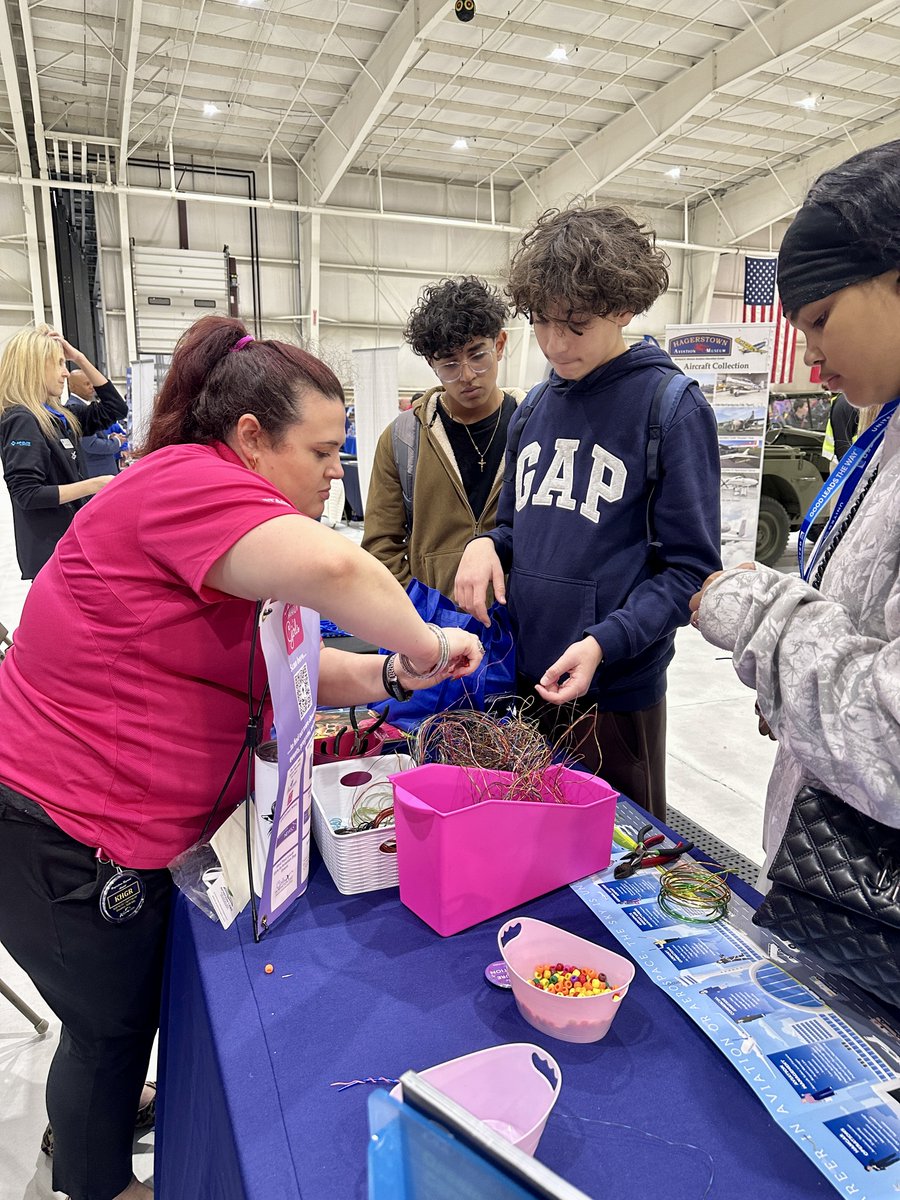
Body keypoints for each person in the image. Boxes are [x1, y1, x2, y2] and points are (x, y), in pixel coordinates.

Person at [0, 315, 483, 1200]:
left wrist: (390, 673)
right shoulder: (187, 482)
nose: (335, 473)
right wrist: (424, 639)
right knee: (106, 1031)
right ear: (251, 440)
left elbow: (289, 668)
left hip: (114, 831)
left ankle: (98, 1125)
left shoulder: (224, 524)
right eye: (324, 451)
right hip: (63, 834)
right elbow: (341, 576)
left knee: (119, 1024)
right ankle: (98, 1184)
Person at [454, 205, 722, 818]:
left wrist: (607, 641)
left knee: (614, 868)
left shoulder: (671, 407)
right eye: (542, 323)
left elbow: (691, 571)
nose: (553, 343)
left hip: (616, 697)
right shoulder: (536, 407)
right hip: (527, 682)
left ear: (623, 308)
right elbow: (517, 529)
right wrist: (487, 544)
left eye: (574, 325)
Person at [690, 139, 900, 873]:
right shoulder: (886, 426)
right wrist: (800, 695)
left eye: (820, 317)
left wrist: (756, 616)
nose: (809, 354)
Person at [362, 276, 525, 597]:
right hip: (436, 631)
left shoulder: (535, 426)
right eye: (449, 364)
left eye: (478, 355)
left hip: (521, 626)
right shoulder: (403, 439)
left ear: (501, 345)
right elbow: (381, 543)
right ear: (430, 363)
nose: (466, 376)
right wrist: (426, 612)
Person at [0, 328, 127, 579]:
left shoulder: (60, 417)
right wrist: (96, 484)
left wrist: (78, 357)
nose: (65, 373)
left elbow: (115, 407)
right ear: (34, 367)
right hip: (51, 550)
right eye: (59, 363)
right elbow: (27, 494)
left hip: (70, 542)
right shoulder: (23, 420)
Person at [67, 368, 128, 477]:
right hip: (97, 473)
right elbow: (90, 444)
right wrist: (116, 442)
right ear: (73, 387)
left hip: (99, 471)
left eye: (91, 382)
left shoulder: (82, 406)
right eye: (87, 384)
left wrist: (108, 438)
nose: (92, 387)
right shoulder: (76, 409)